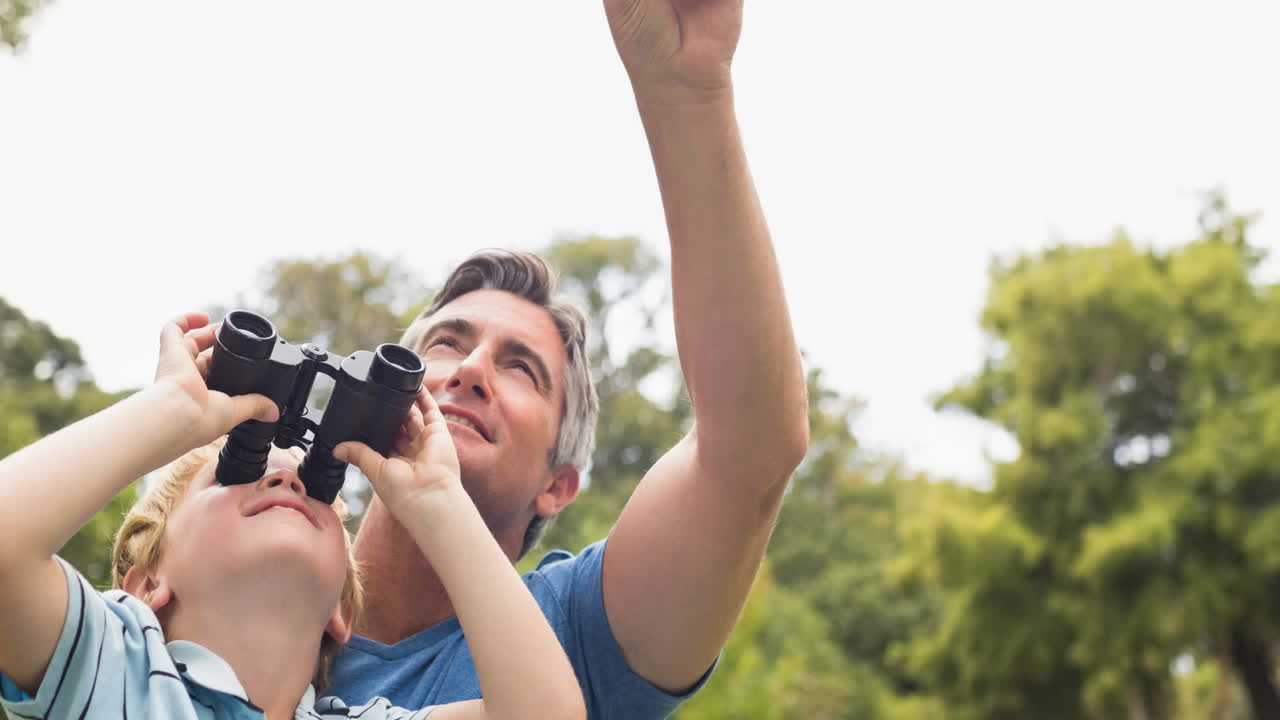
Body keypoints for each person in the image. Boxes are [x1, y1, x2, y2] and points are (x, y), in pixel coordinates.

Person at [328, 1, 810, 717]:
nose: (470, 370)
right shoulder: (248, 570)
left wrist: (687, 91)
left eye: (521, 367)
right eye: (446, 344)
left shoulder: (577, 635)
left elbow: (751, 450)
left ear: (558, 486)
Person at [0, 313, 587, 720]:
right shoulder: (110, 662)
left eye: (318, 493)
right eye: (237, 471)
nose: (286, 478)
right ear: (146, 582)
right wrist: (173, 409)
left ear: (342, 610)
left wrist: (437, 498)